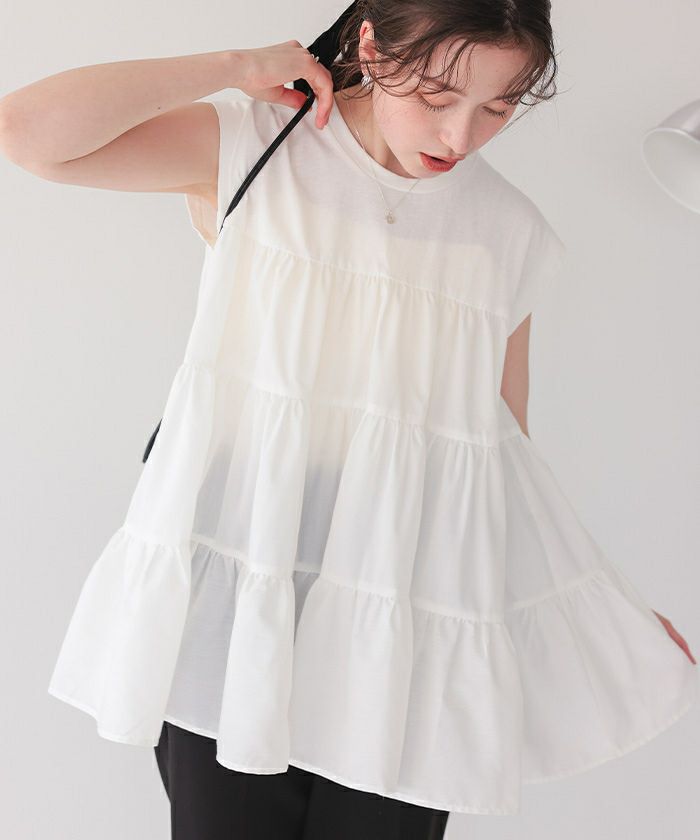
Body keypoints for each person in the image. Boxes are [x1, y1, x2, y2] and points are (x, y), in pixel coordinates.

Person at [1, 1, 696, 837]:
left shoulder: (505, 233)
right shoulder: (260, 148)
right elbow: (27, 133)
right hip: (241, 577)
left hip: (407, 604)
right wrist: (234, 66)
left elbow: (499, 460)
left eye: (499, 106)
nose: (462, 135)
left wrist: (604, 619)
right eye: (437, 96)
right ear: (369, 44)